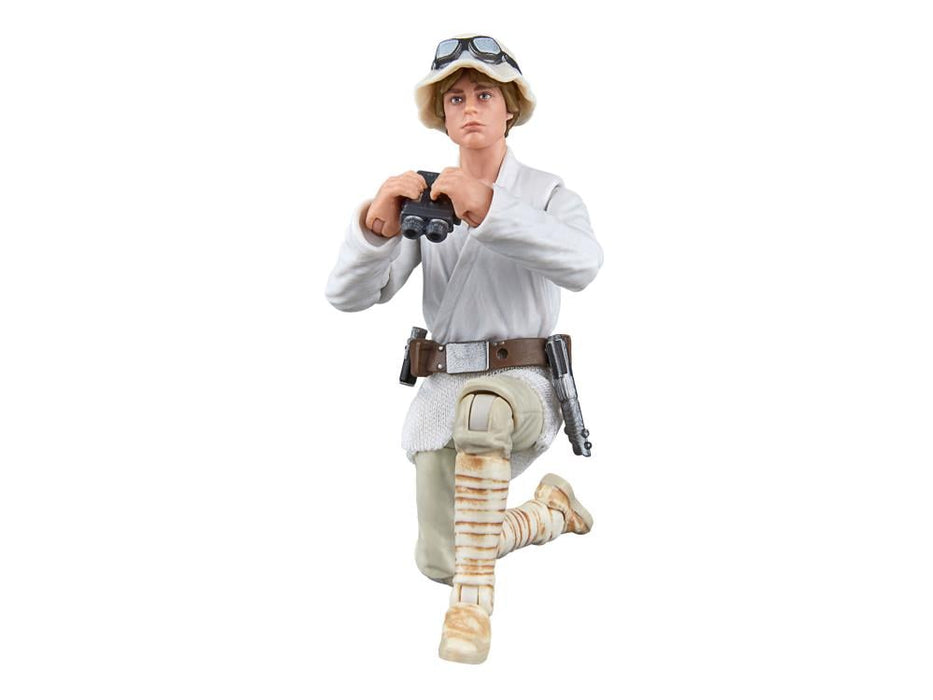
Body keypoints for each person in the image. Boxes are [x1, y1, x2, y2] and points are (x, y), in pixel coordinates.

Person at [325, 35, 603, 663]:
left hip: (522, 383)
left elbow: (584, 264)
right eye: (456, 99)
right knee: (440, 558)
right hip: (444, 387)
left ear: (510, 109)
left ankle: (471, 611)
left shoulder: (548, 194)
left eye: (484, 95)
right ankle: (548, 513)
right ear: (442, 116)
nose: (470, 108)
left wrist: (491, 209)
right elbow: (347, 296)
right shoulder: (428, 199)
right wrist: (375, 227)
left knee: (483, 411)